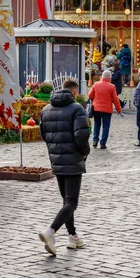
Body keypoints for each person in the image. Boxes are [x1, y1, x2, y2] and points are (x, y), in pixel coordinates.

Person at [39, 78, 90, 256]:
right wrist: (85, 152)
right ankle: (51, 231)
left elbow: (44, 134)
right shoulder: (77, 109)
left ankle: (73, 236)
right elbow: (81, 136)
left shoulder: (46, 110)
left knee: (66, 201)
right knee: (71, 202)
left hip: (56, 160)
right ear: (74, 92)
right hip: (73, 160)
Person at [88, 69, 122, 149]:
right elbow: (115, 99)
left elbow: (90, 95)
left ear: (102, 76)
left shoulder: (96, 84)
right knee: (106, 126)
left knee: (97, 124)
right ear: (110, 78)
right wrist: (119, 110)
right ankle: (103, 143)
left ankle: (95, 140)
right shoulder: (112, 86)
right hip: (107, 109)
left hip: (96, 109)